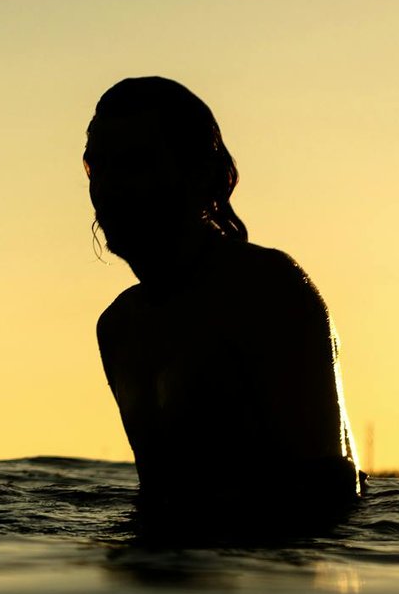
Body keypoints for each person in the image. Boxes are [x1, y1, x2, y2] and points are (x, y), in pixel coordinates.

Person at [84, 77, 363, 516]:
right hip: (162, 572)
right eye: (97, 167)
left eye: (134, 164)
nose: (109, 188)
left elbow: (330, 488)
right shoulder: (120, 327)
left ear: (200, 175)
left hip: (271, 572)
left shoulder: (266, 291)